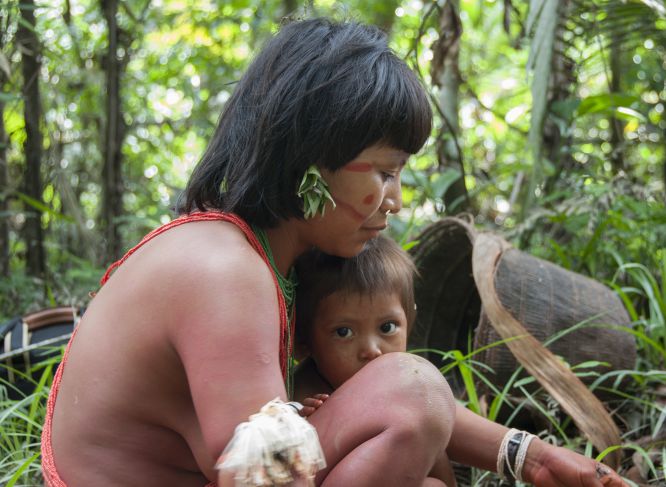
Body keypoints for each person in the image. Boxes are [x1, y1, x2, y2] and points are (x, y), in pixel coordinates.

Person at [39, 17, 627, 487]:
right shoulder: (224, 271)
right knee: (413, 390)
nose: (394, 200)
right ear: (310, 164)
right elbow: (258, 476)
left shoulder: (268, 258)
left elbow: (351, 397)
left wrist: (532, 458)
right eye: (383, 171)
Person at [292, 235, 629, 487]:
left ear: (411, 320)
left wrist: (537, 459)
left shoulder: (401, 397)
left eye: (388, 327)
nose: (372, 349)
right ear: (303, 342)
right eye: (343, 333)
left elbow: (434, 429)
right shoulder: (308, 392)